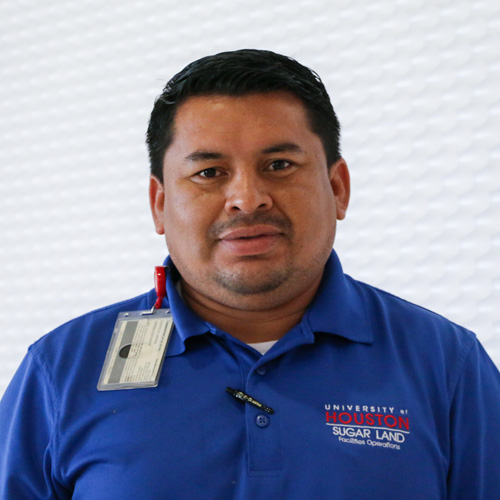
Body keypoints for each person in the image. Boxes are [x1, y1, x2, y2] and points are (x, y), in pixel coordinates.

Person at [0, 49, 499, 499]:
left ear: (337, 187)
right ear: (160, 204)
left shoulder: (448, 365)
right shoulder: (60, 371)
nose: (247, 197)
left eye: (279, 164)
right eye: (209, 173)